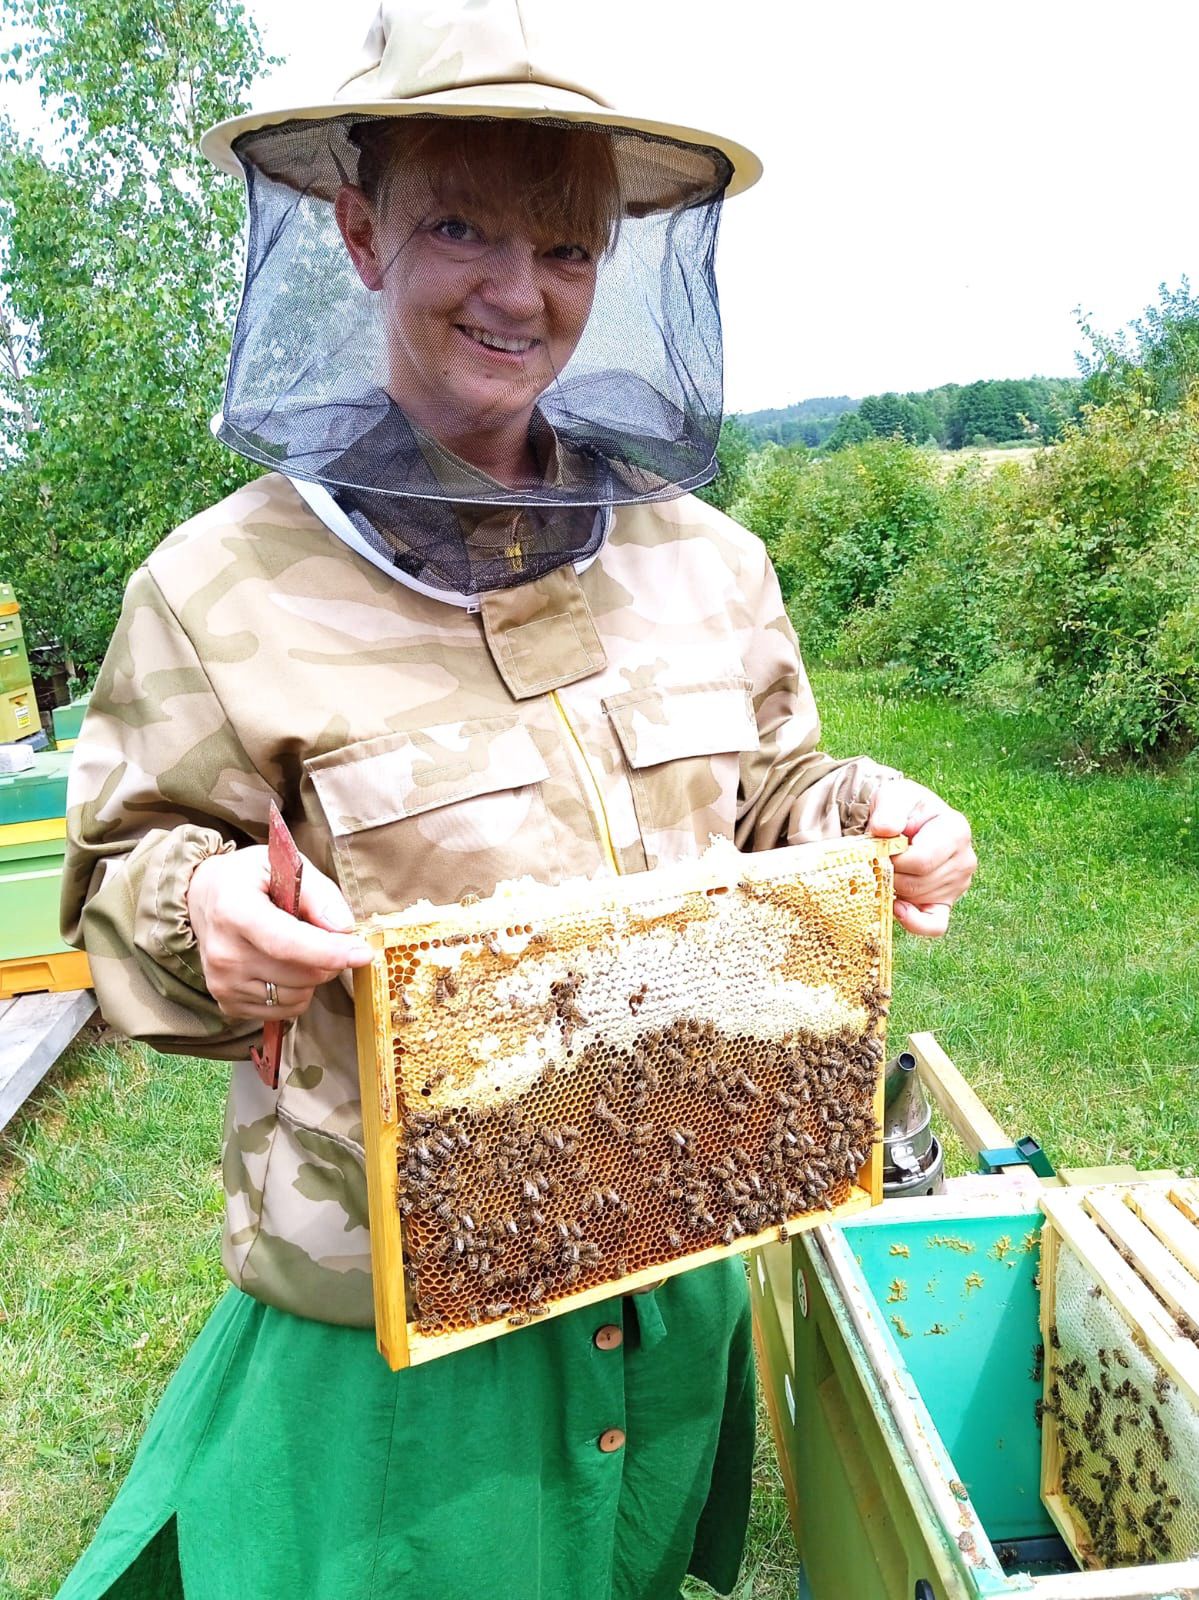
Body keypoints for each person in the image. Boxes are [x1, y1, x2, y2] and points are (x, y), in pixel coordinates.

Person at [56, 4, 976, 1597]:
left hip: (677, 1261)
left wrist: (869, 813)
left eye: (563, 244)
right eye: (461, 224)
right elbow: (124, 883)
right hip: (396, 1335)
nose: (517, 287)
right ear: (357, 234)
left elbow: (772, 797)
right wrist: (204, 917)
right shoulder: (217, 589)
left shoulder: (709, 560)